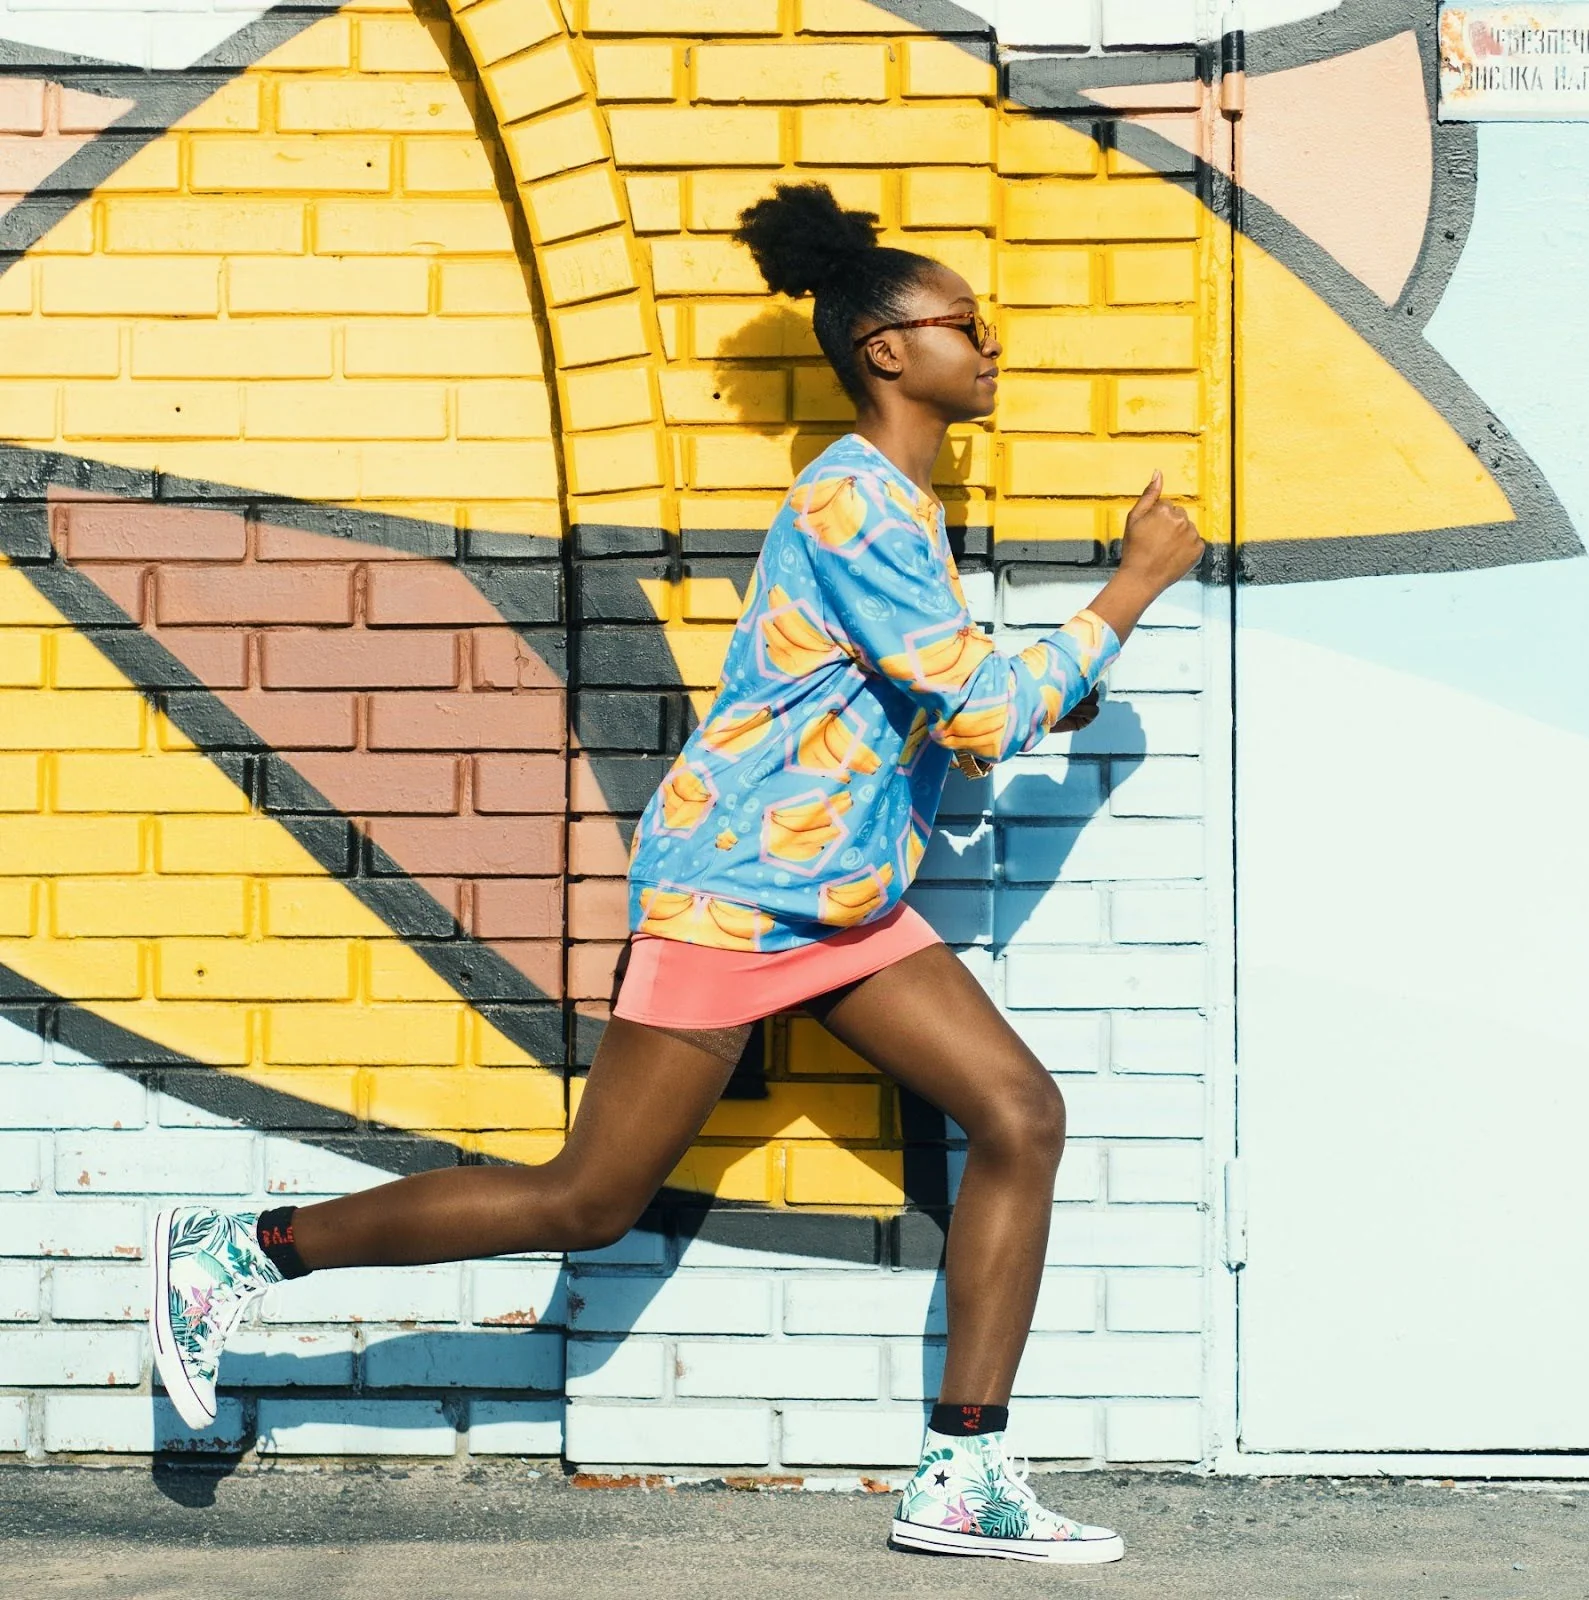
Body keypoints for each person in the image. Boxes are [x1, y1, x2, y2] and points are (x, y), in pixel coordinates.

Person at [149, 181, 1202, 1565]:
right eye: (969, 325)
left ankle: (961, 1476)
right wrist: (1128, 591)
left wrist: (1012, 698)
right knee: (589, 1200)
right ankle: (242, 1249)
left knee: (1017, 1112)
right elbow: (983, 710)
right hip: (738, 897)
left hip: (837, 903)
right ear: (889, 349)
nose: (992, 346)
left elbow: (947, 710)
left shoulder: (897, 506)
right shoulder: (855, 501)